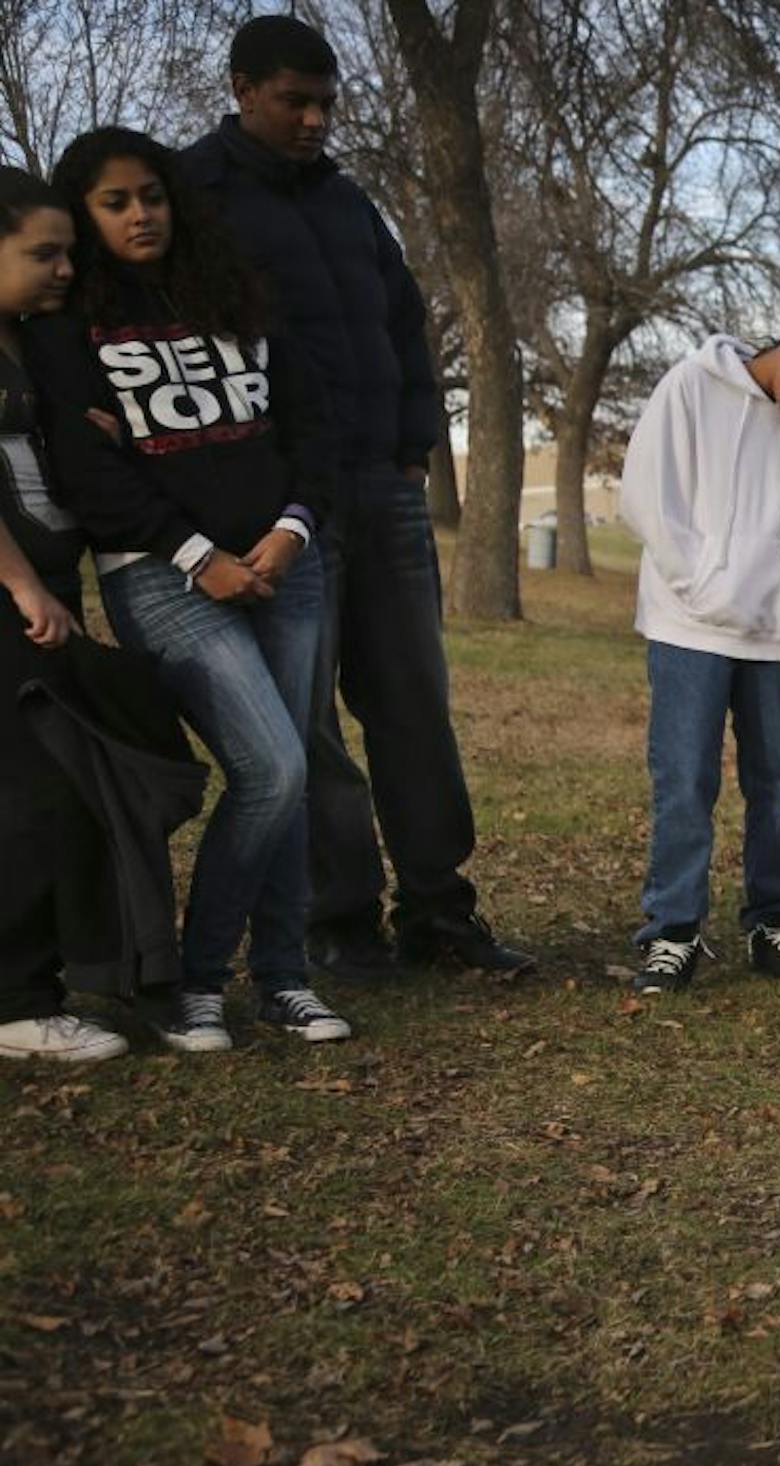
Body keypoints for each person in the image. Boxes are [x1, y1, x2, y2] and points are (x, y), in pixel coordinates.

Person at [181, 14, 532, 981]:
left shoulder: (347, 202)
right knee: (306, 725)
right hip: (281, 504)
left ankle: (439, 912)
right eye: (294, 101)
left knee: (414, 705)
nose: (312, 121)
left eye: (326, 104)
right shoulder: (191, 198)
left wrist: (416, 446)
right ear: (244, 88)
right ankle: (339, 920)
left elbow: (404, 320)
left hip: (383, 487)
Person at [31, 128, 348, 1050]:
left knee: (284, 773)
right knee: (272, 768)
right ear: (85, 216)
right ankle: (197, 984)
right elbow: (92, 477)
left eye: (152, 195)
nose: (141, 214)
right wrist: (195, 551)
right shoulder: (65, 329)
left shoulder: (234, 293)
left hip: (286, 565)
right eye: (116, 202)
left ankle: (284, 980)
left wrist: (291, 532)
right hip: (162, 577)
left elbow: (309, 426)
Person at [616, 303, 780, 995]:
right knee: (684, 782)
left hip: (778, 635)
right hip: (689, 627)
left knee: (775, 786)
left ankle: (775, 922)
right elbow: (647, 495)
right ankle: (672, 932)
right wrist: (701, 584)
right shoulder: (691, 386)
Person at [0, 165, 129, 1062]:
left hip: (46, 592)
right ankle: (16, 1005)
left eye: (68, 254)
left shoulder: (26, 342)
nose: (62, 270)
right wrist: (20, 584)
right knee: (30, 796)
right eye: (41, 253)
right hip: (15, 603)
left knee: (55, 789)